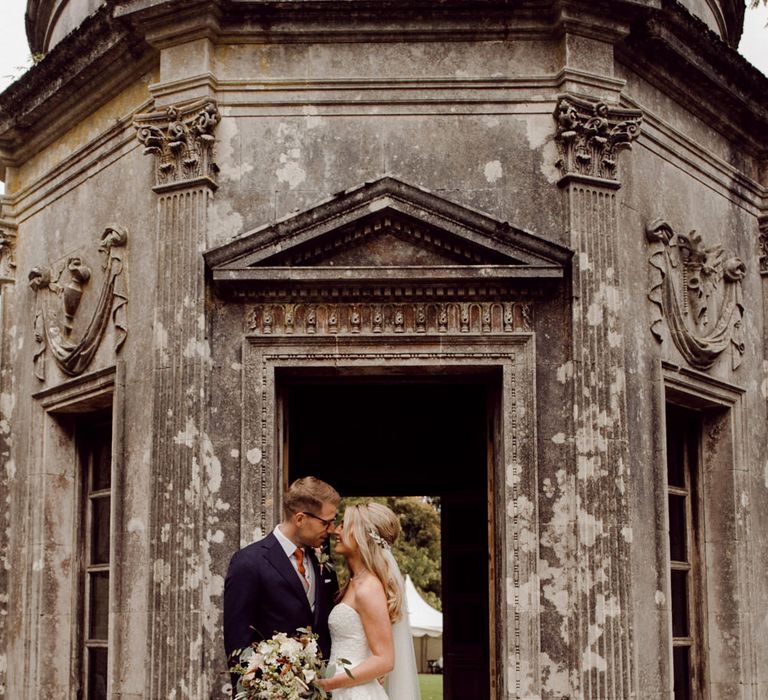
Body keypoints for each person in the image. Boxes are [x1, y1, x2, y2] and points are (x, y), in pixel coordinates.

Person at [223, 476, 341, 688]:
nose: (331, 529)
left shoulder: (324, 564)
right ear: (300, 519)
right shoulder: (248, 563)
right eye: (326, 522)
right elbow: (238, 643)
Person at [318, 502, 421, 700]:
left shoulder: (368, 588)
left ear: (360, 534)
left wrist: (328, 683)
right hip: (344, 690)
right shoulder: (354, 582)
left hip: (355, 692)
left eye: (343, 524)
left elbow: (384, 660)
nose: (335, 531)